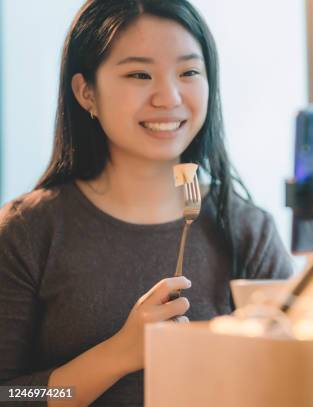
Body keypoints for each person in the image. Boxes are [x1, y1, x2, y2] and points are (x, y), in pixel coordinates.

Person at [0, 0, 293, 405]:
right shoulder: (27, 231)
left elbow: (293, 382)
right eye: (140, 74)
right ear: (86, 92)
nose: (168, 97)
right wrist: (118, 354)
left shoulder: (246, 230)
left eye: (189, 72)